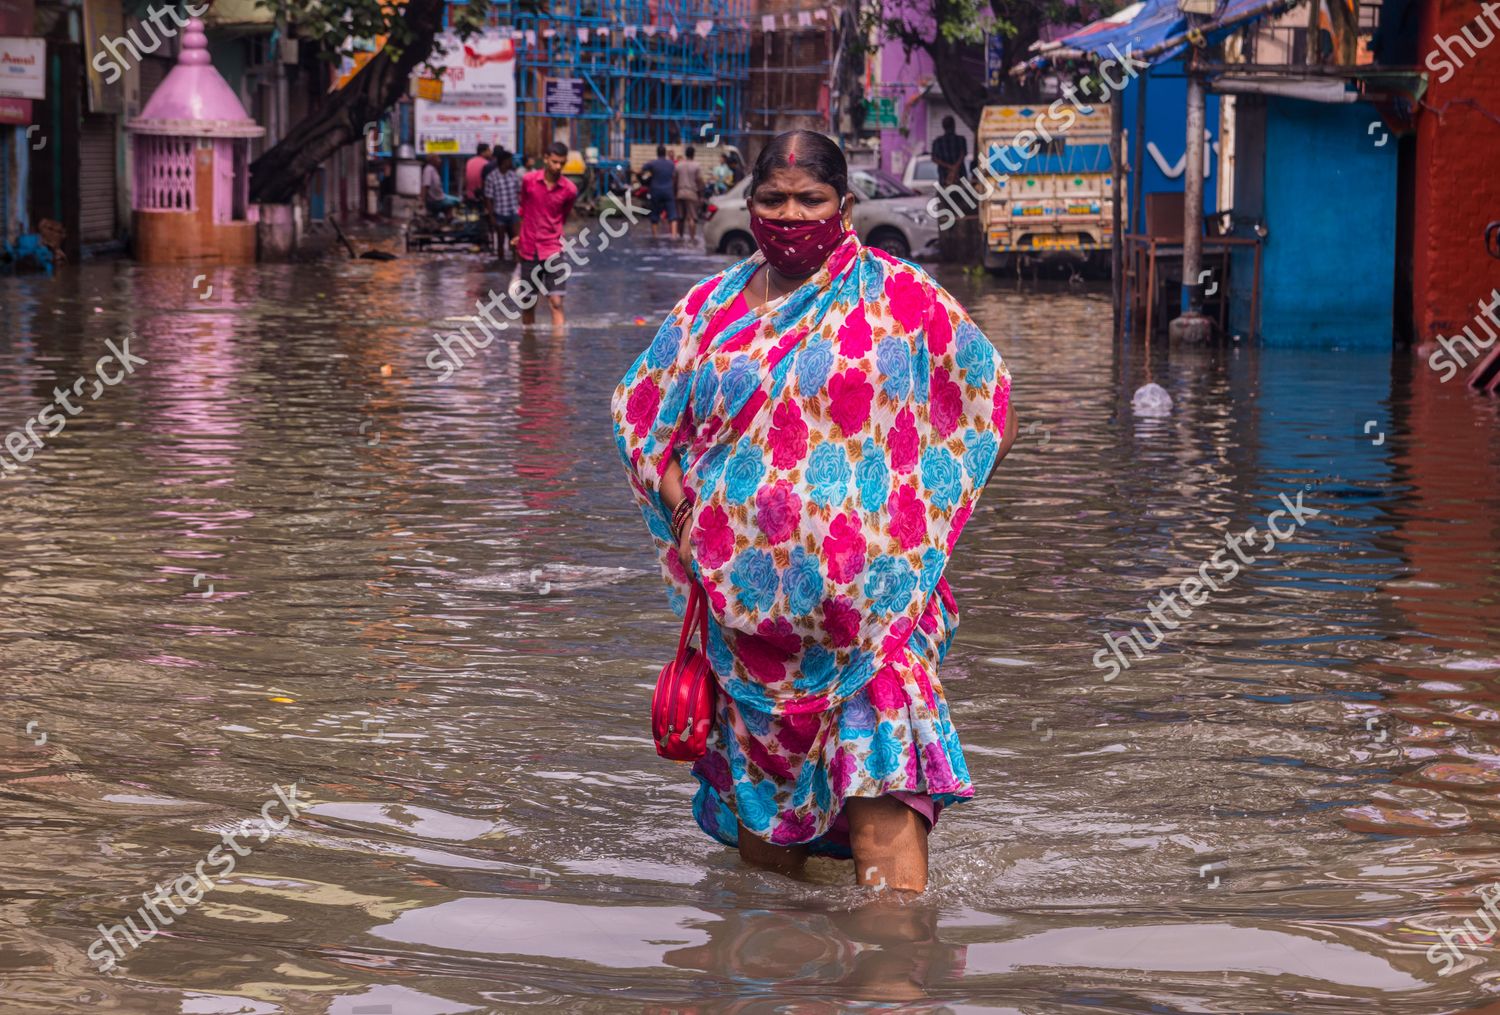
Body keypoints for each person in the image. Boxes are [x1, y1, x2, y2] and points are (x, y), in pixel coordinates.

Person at [609, 129, 1017, 893]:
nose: (790, 213)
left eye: (810, 199)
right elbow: (640, 420)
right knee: (769, 883)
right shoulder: (710, 312)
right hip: (748, 629)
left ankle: (895, 983)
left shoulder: (902, 296)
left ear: (846, 206)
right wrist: (688, 514)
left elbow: (989, 406)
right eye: (772, 199)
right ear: (748, 203)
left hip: (876, 619)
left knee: (886, 857)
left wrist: (915, 530)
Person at [515, 141, 578, 330]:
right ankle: (528, 350)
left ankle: (557, 354)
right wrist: (519, 236)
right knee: (528, 302)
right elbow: (523, 210)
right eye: (555, 162)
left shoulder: (569, 190)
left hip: (553, 248)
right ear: (546, 159)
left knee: (556, 301)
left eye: (561, 163)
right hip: (529, 248)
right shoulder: (529, 181)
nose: (558, 167)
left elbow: (563, 216)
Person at [484, 147, 521, 261]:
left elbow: (520, 193)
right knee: (500, 241)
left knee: (516, 240)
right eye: (509, 160)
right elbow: (488, 198)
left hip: (514, 212)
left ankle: (516, 262)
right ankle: (501, 262)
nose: (511, 163)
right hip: (500, 213)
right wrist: (491, 216)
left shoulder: (513, 176)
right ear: (504, 162)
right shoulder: (492, 177)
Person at [642, 144, 678, 239]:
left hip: (655, 191)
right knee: (672, 214)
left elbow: (642, 169)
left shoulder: (653, 163)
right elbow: (675, 175)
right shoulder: (671, 164)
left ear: (657, 153)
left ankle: (655, 236)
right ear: (665, 153)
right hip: (668, 191)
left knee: (654, 215)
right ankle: (674, 236)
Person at [675, 145, 704, 243]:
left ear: (685, 154)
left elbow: (674, 180)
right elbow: (699, 181)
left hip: (680, 193)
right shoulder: (696, 165)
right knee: (692, 217)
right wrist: (701, 195)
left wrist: (675, 193)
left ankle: (680, 237)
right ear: (693, 154)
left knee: (680, 217)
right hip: (692, 194)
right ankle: (692, 238)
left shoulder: (678, 165)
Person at [931, 116, 968, 189]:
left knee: (946, 198)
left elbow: (934, 158)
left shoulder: (937, 142)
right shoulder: (961, 140)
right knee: (963, 198)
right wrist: (955, 167)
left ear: (943, 127)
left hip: (944, 179)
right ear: (954, 125)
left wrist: (949, 167)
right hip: (960, 178)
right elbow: (963, 154)